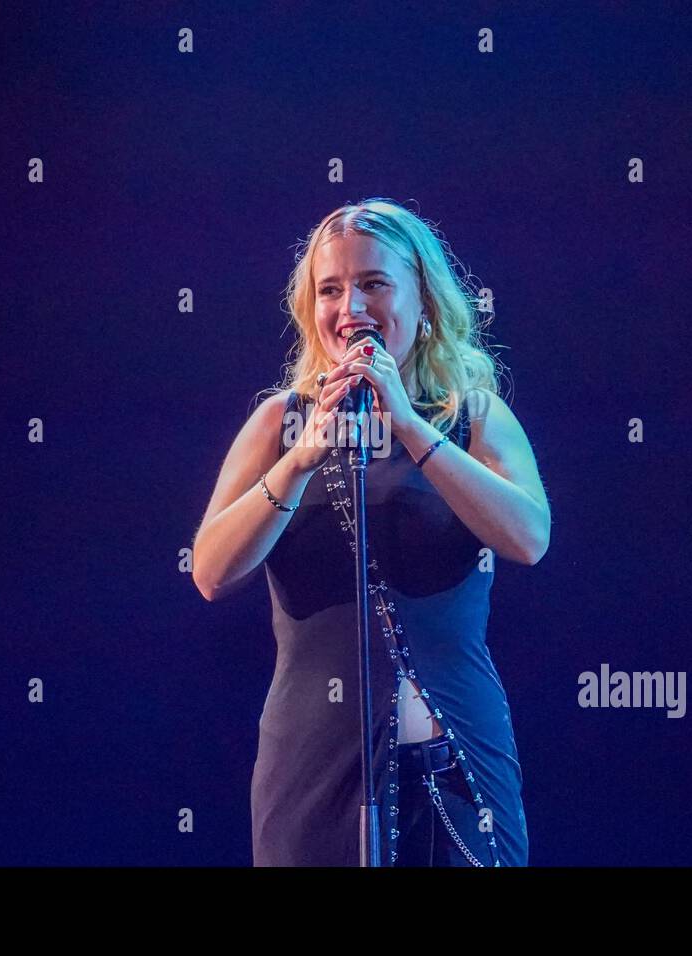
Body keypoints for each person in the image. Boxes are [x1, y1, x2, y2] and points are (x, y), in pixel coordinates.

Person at [193, 198, 550, 866]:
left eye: (373, 284)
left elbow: (528, 537)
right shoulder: (279, 423)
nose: (350, 306)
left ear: (422, 301)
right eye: (331, 289)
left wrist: (411, 426)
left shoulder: (472, 417)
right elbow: (211, 571)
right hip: (314, 772)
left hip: (458, 764)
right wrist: (302, 459)